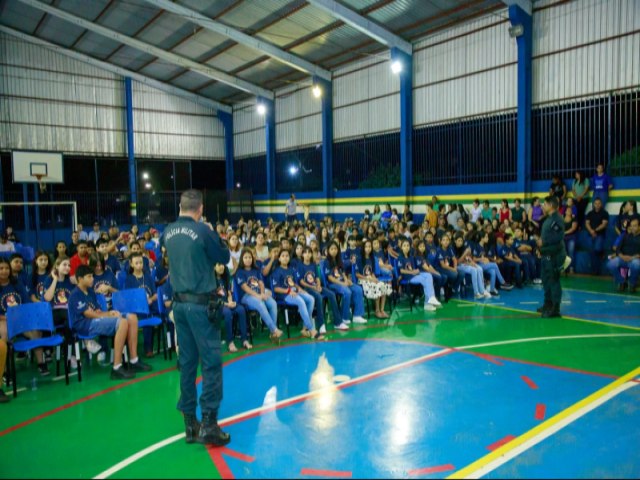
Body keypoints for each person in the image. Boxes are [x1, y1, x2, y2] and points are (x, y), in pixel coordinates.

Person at [160, 189, 232, 447]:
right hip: (201, 306)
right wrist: (214, 234)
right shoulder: (202, 231)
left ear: (180, 206)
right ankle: (209, 424)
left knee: (187, 363)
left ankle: (190, 423)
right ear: (200, 208)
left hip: (179, 305)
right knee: (211, 363)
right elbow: (223, 257)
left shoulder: (167, 231)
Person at [69, 265, 151, 379]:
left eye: (92, 276)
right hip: (85, 325)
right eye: (89, 277)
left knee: (132, 317)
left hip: (96, 319)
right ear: (79, 279)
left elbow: (97, 310)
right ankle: (116, 367)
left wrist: (110, 313)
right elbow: (88, 314)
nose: (92, 279)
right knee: (122, 322)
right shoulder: (75, 294)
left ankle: (134, 360)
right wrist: (108, 314)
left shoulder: (90, 292)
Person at [537, 196, 568, 318]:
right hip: (546, 255)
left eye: (544, 204)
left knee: (553, 281)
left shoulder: (557, 220)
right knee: (546, 280)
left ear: (550, 205)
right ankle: (547, 304)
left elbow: (557, 239)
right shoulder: (549, 219)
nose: (543, 206)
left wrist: (543, 244)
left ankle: (555, 308)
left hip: (554, 256)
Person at [607, 218, 640, 293]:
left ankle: (632, 283)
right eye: (631, 226)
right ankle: (622, 282)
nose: (632, 228)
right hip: (623, 258)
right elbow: (618, 249)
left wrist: (632, 257)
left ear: (639, 227)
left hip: (635, 259)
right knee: (610, 264)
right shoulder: (625, 236)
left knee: (636, 264)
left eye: (635, 226)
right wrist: (622, 256)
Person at [585, 197, 610, 275]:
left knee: (597, 249)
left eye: (599, 203)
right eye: (596, 203)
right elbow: (587, 223)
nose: (597, 205)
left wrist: (595, 230)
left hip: (600, 235)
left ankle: (597, 270)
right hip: (590, 234)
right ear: (593, 204)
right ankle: (593, 270)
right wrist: (591, 231)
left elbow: (604, 224)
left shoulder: (605, 213)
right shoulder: (590, 213)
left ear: (601, 204)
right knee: (591, 251)